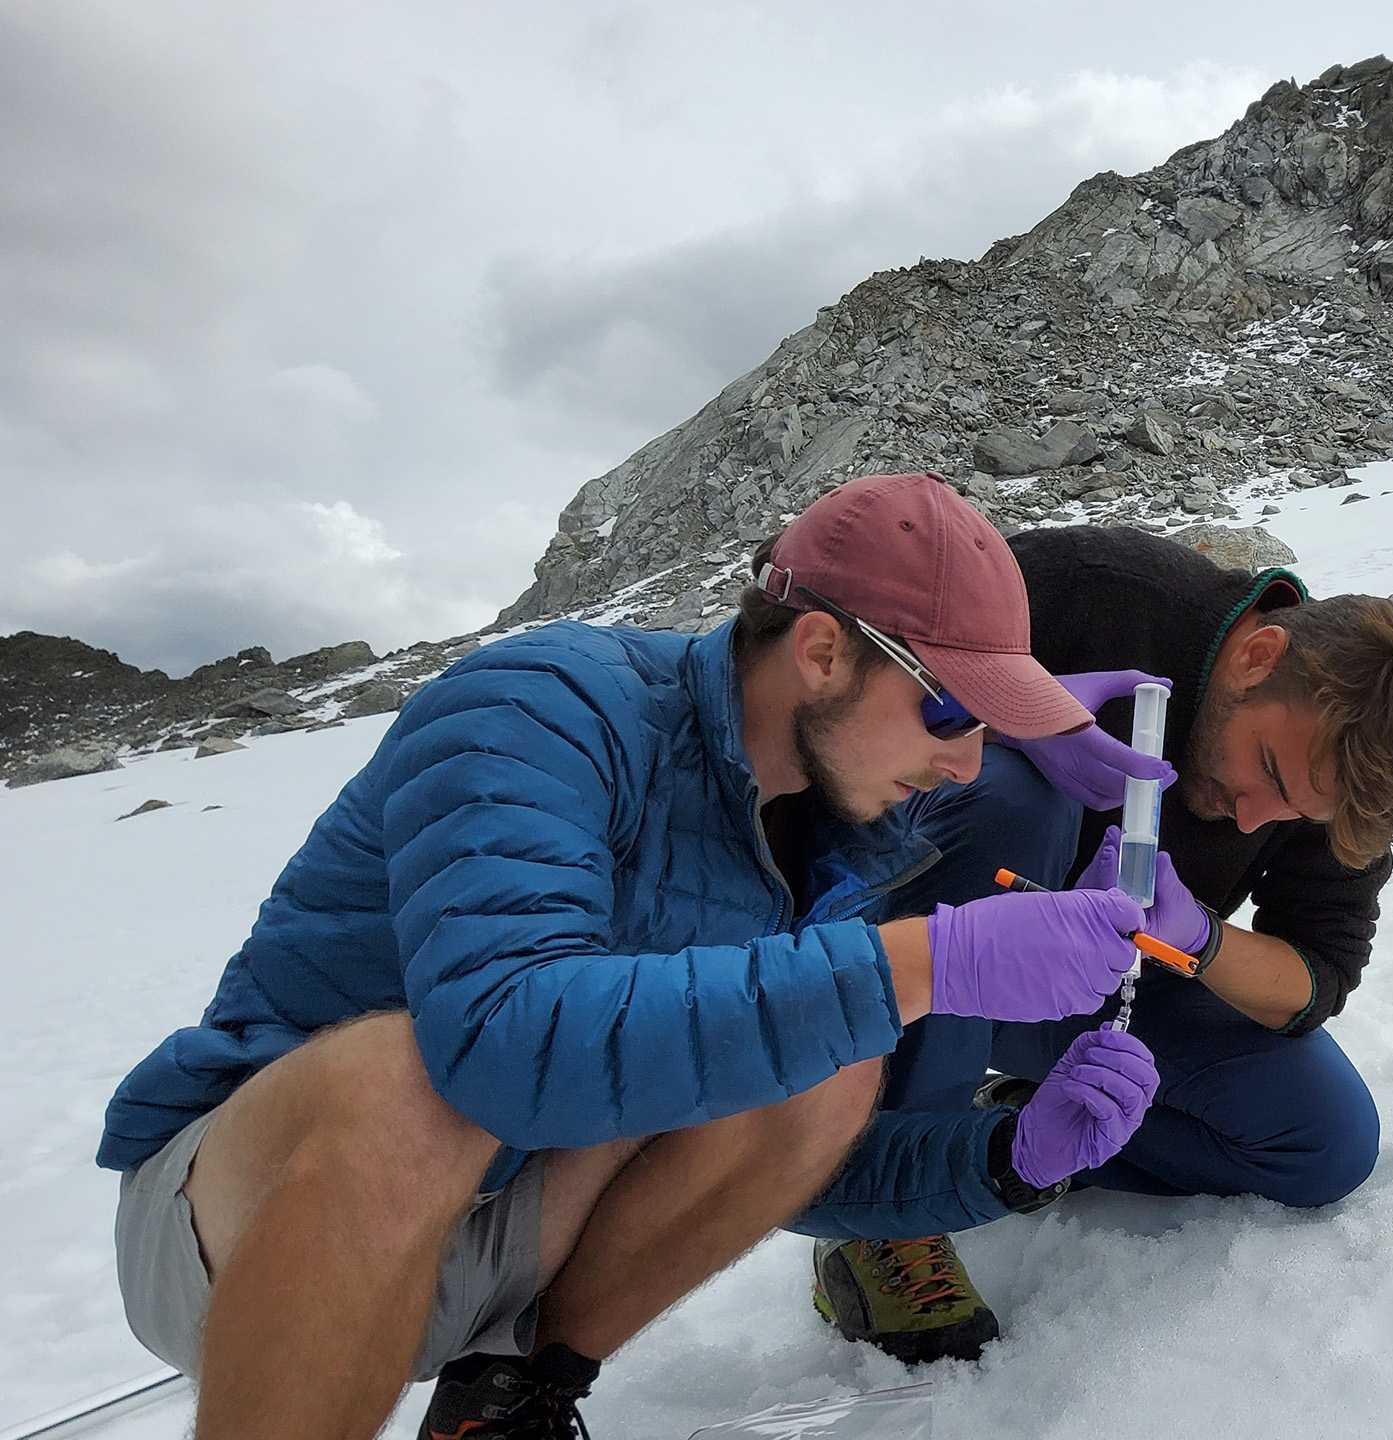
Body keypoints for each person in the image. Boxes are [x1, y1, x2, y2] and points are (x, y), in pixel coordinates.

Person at [95, 473, 1171, 1440]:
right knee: (407, 1082)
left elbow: (793, 1166)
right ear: (823, 650)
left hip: (501, 1243)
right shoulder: (542, 706)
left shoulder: (825, 830)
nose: (964, 764)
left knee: (832, 1054)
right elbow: (500, 1045)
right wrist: (920, 965)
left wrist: (1010, 1154)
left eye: (990, 728)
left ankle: (507, 1401)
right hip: (239, 1228)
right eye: (948, 712)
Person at [792, 524, 1393, 1364]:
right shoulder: (1096, 589)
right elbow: (832, 702)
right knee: (1021, 798)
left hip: (1111, 977)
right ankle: (879, 1197)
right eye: (1267, 770)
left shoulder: (1335, 780)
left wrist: (1198, 937)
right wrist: (1009, 727)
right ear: (1258, 656)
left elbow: (1318, 978)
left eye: (1295, 813)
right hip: (921, 948)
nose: (1254, 818)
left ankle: (1022, 1133)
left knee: (1325, 1144)